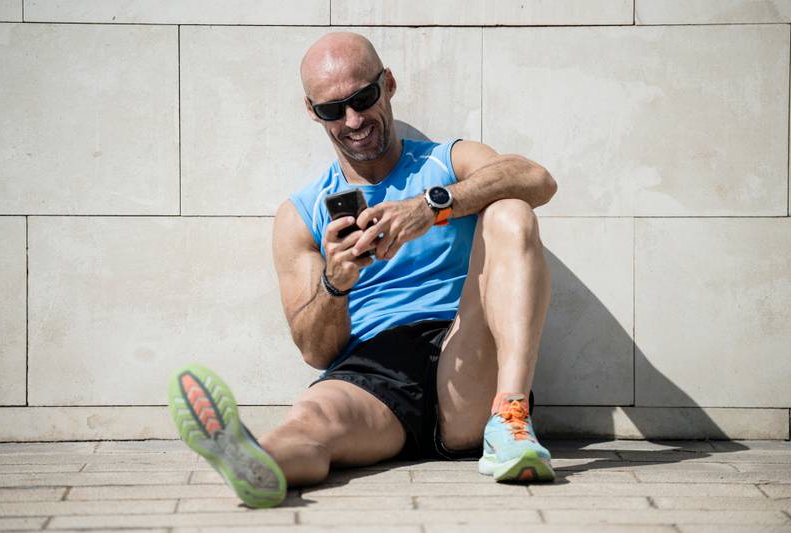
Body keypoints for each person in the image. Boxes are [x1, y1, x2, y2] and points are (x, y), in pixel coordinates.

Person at [167, 31, 558, 509]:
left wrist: (433, 206)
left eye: (363, 98)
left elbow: (537, 179)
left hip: (465, 349)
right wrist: (335, 282)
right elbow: (316, 350)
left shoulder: (446, 161)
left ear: (388, 84)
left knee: (512, 211)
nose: (353, 121)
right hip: (374, 373)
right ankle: (253, 460)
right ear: (313, 112)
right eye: (333, 110)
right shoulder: (300, 214)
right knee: (311, 422)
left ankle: (511, 421)